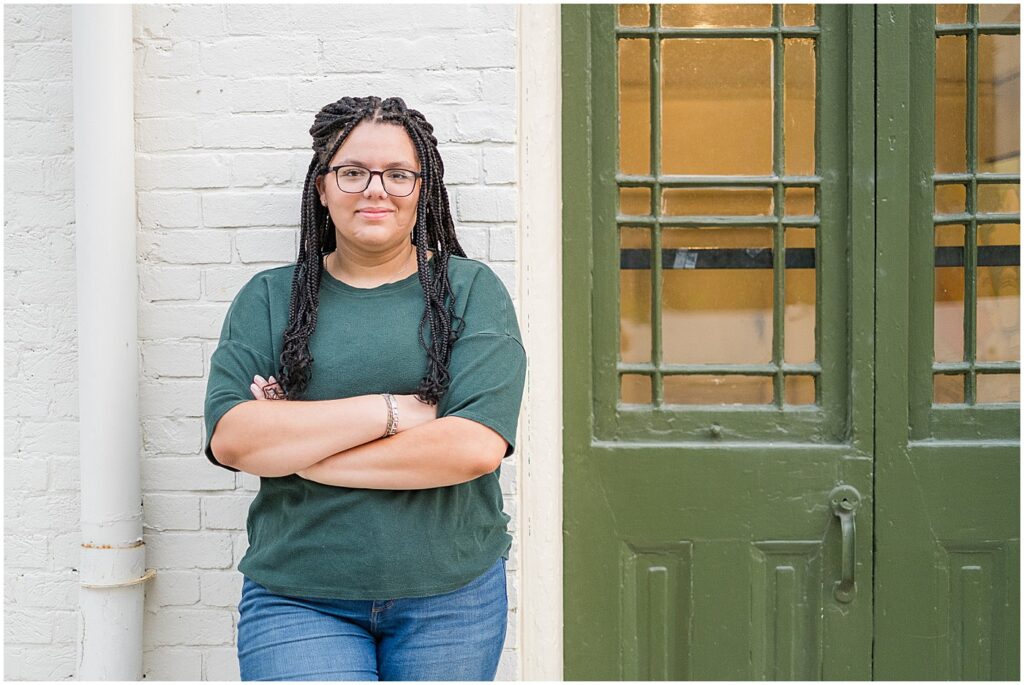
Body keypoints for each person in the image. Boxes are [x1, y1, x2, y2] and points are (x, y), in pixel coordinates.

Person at [202, 95, 527, 681]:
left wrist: (304, 450)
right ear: (322, 189)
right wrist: (393, 411)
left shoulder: (471, 290)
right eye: (352, 172)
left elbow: (472, 448)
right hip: (298, 594)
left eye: (398, 174)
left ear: (422, 189)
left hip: (451, 598)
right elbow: (235, 441)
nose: (375, 189)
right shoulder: (269, 299)